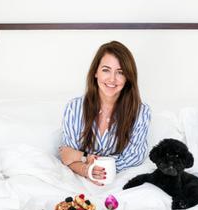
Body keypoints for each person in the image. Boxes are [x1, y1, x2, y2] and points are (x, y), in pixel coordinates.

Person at [59, 41, 151, 185]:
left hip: (120, 182)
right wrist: (86, 170)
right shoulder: (74, 108)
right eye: (106, 70)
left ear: (128, 77)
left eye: (120, 72)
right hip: (80, 182)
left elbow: (134, 158)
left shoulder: (141, 112)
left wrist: (85, 159)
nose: (112, 79)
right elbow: (66, 156)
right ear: (95, 72)